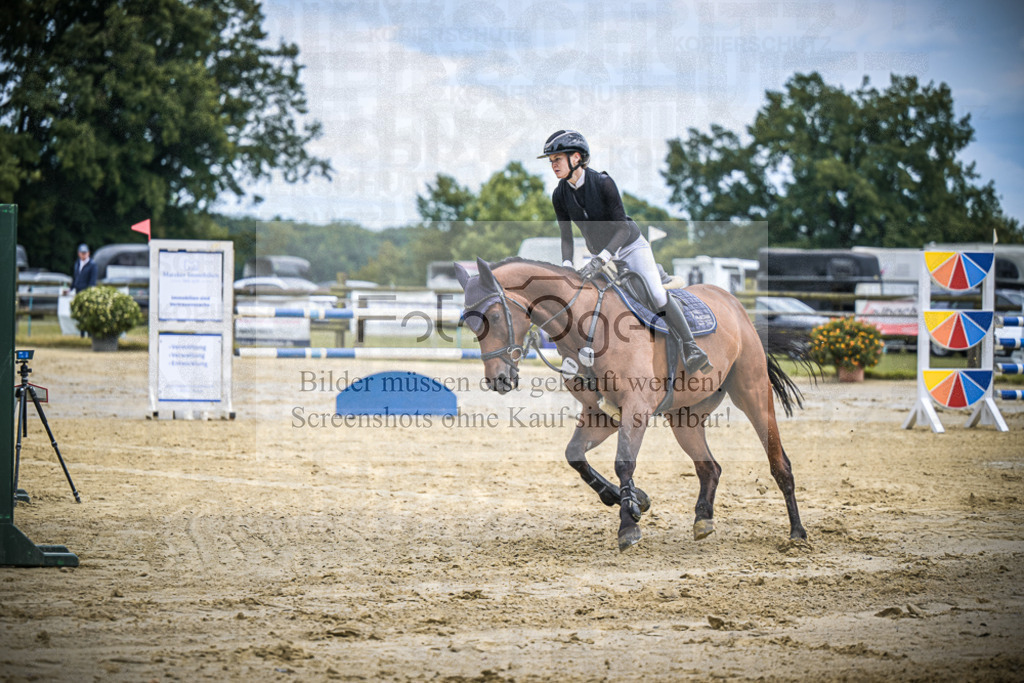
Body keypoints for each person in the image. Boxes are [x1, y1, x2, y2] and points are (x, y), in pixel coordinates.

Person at [538, 130, 711, 374]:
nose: (553, 165)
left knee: (657, 295)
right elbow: (566, 236)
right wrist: (567, 265)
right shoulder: (559, 195)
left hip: (630, 246)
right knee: (593, 298)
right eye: (551, 161)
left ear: (575, 157)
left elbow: (621, 228)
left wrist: (601, 259)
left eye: (557, 159)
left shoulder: (603, 183)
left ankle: (692, 347)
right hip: (600, 255)